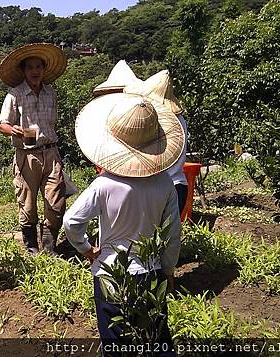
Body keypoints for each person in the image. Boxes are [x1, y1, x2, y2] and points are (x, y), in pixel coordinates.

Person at [63, 93, 184, 353]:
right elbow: (173, 234)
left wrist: (86, 249)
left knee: (116, 342)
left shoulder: (104, 184)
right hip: (150, 273)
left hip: (110, 275)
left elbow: (72, 221)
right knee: (157, 338)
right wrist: (169, 270)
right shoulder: (165, 183)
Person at [0, 43, 68, 255]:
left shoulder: (50, 93)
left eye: (39, 66)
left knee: (56, 203)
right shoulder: (14, 95)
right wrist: (13, 130)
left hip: (51, 152)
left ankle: (49, 248)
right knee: (27, 205)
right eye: (30, 67)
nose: (35, 71)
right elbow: (2, 124)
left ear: (44, 69)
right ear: (23, 71)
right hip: (26, 155)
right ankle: (31, 249)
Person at [125, 70, 189, 214]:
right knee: (168, 235)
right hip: (179, 185)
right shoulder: (181, 120)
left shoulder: (158, 121)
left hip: (157, 188)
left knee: (148, 235)